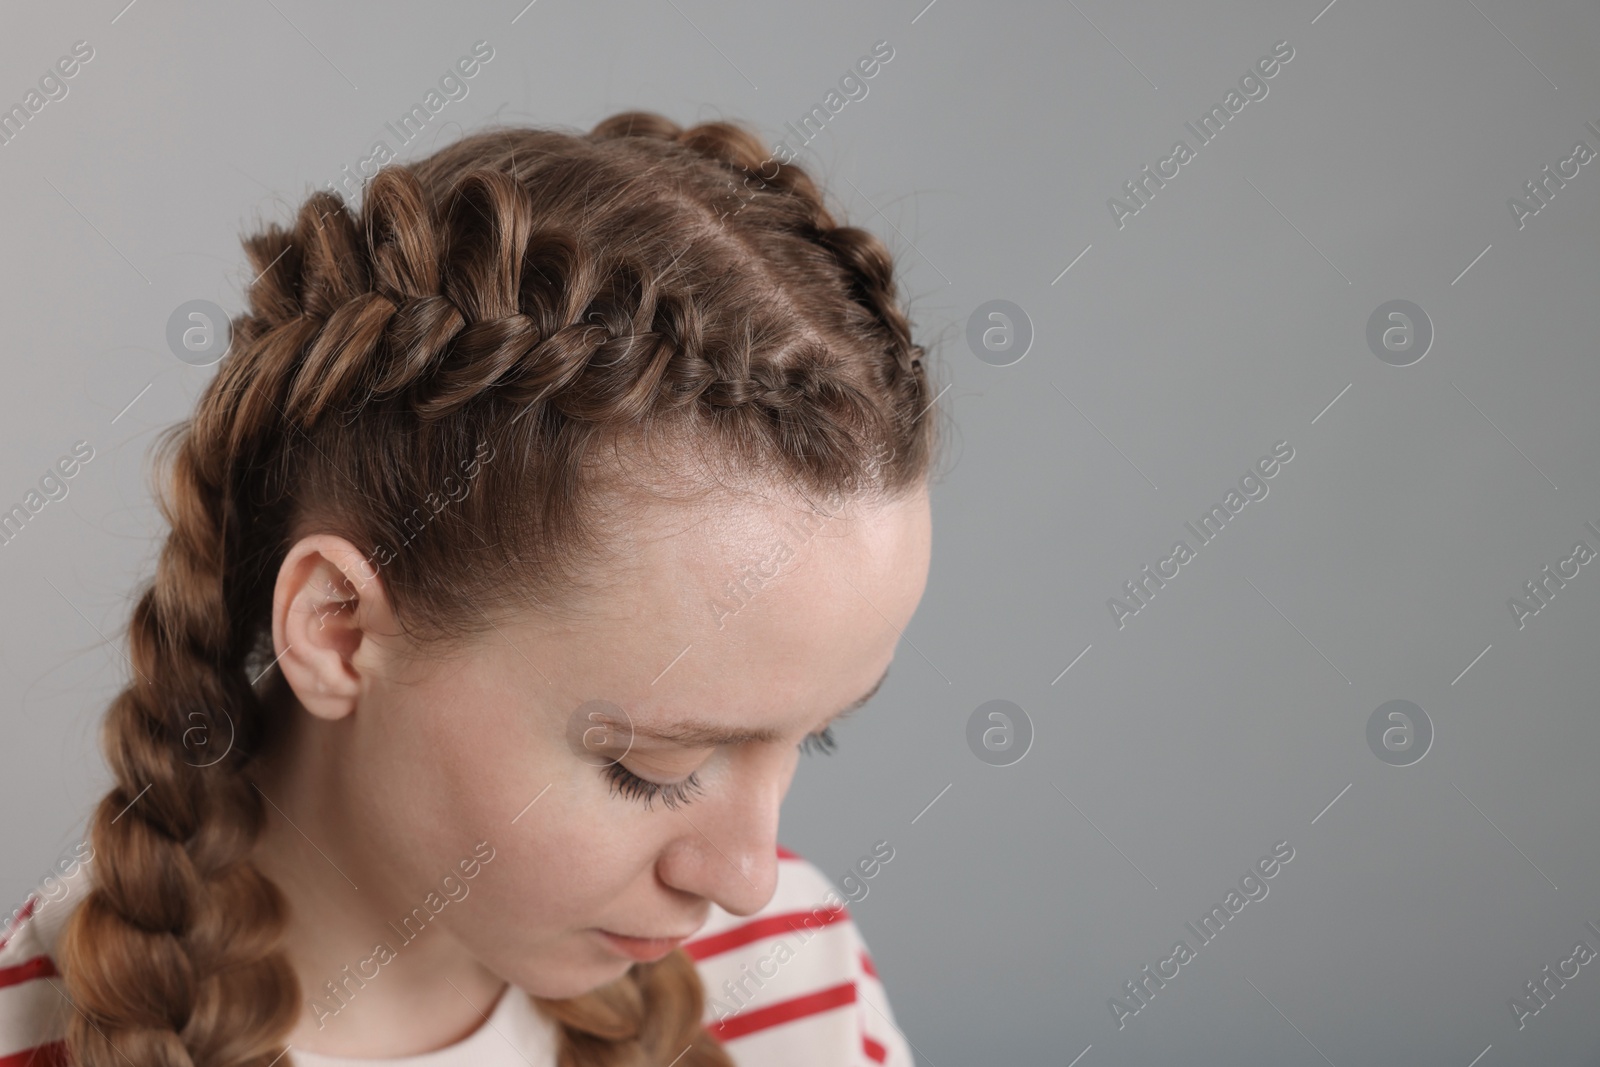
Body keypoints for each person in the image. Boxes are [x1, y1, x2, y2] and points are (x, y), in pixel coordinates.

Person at [0, 109, 942, 1066]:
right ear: (337, 628)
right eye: (651, 767)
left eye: (811, 735)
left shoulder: (792, 979)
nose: (746, 879)